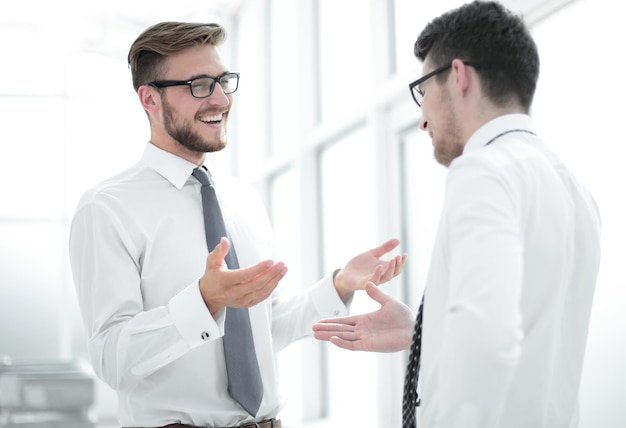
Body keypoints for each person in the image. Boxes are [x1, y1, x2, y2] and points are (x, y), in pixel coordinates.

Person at [69, 21, 407, 428]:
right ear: (150, 99)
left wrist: (338, 286)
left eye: (223, 81)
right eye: (198, 84)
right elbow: (111, 358)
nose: (219, 99)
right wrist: (203, 302)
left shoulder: (242, 197)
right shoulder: (107, 208)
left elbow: (263, 331)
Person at [312, 2, 601, 427]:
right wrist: (424, 333)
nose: (423, 120)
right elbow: (532, 336)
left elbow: (486, 341)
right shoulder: (574, 190)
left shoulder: (483, 171)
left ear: (460, 76)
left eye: (423, 89)